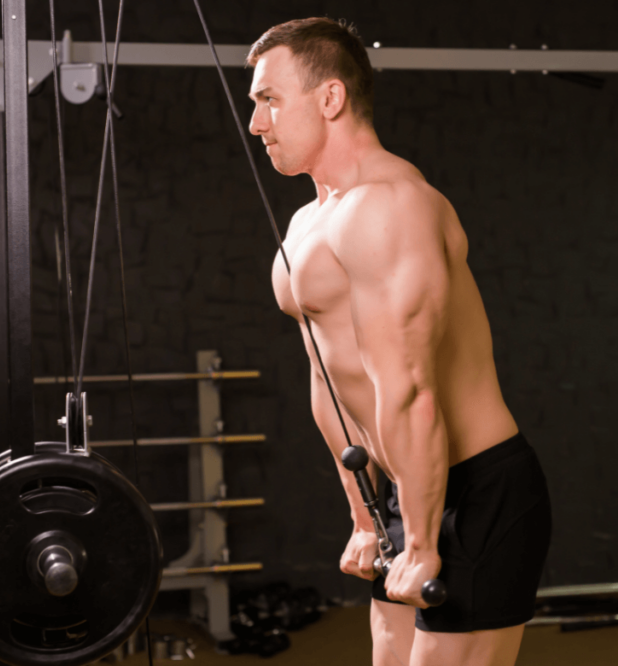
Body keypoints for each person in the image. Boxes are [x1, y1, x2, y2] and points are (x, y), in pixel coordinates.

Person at [245, 17, 552, 666]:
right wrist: (365, 514)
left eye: (269, 100)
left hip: (475, 492)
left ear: (330, 99)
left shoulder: (390, 207)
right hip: (400, 490)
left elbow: (409, 389)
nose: (256, 124)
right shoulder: (307, 225)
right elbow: (328, 384)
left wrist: (421, 544)